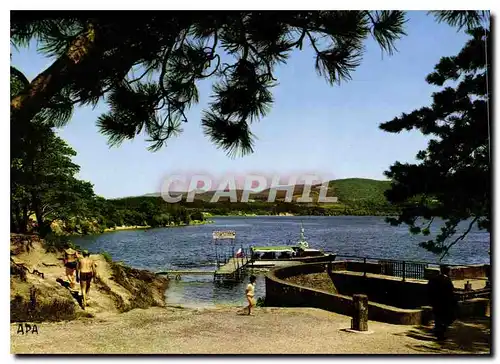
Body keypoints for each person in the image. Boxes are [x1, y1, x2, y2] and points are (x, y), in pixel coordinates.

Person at [427, 265, 457, 341]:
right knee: (443, 318)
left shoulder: (434, 278)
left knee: (438, 317)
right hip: (444, 302)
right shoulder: (447, 280)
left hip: (436, 301)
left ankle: (437, 331)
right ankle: (440, 333)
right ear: (448, 271)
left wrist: (431, 300)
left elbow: (429, 289)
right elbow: (450, 292)